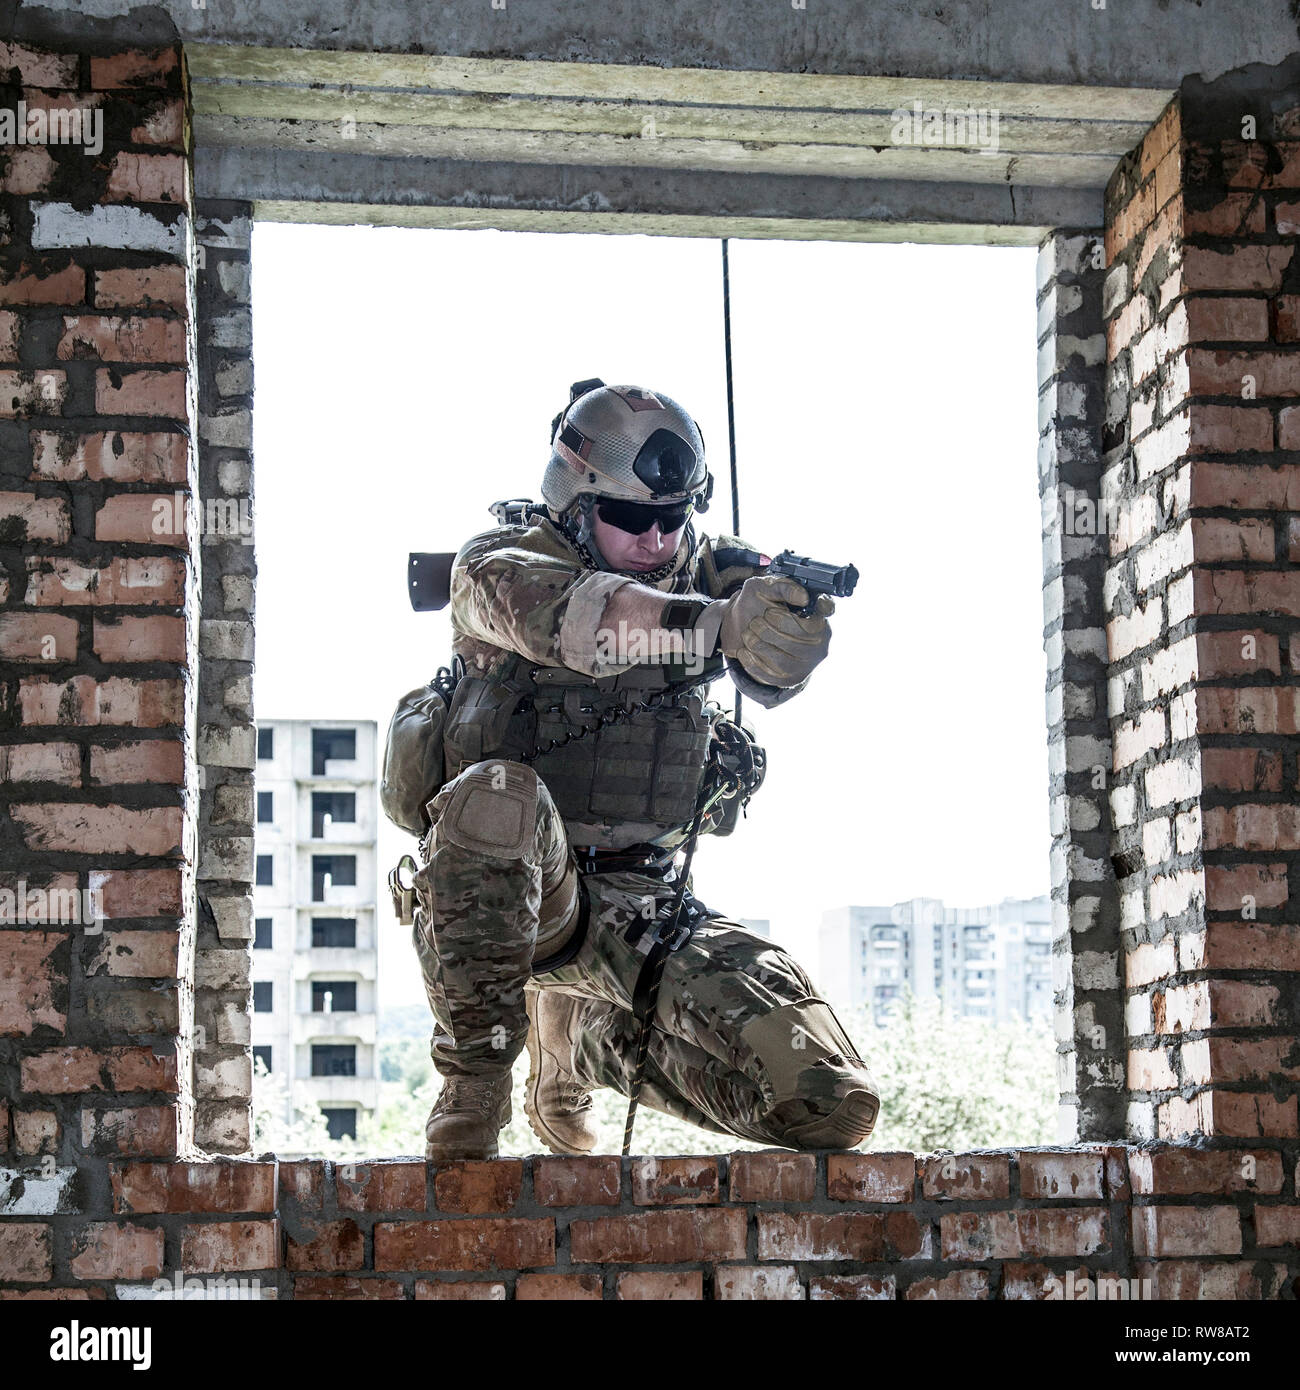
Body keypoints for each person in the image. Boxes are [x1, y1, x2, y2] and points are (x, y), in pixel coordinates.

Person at [411, 379, 879, 1159]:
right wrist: (718, 624)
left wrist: (779, 637)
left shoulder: (709, 566)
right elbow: (586, 625)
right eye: (630, 517)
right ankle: (477, 1077)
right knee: (498, 799)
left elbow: (767, 665)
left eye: (673, 518)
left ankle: (577, 1046)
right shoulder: (499, 564)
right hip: (521, 895)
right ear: (573, 498)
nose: (656, 541)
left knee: (827, 1103)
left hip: (640, 900)